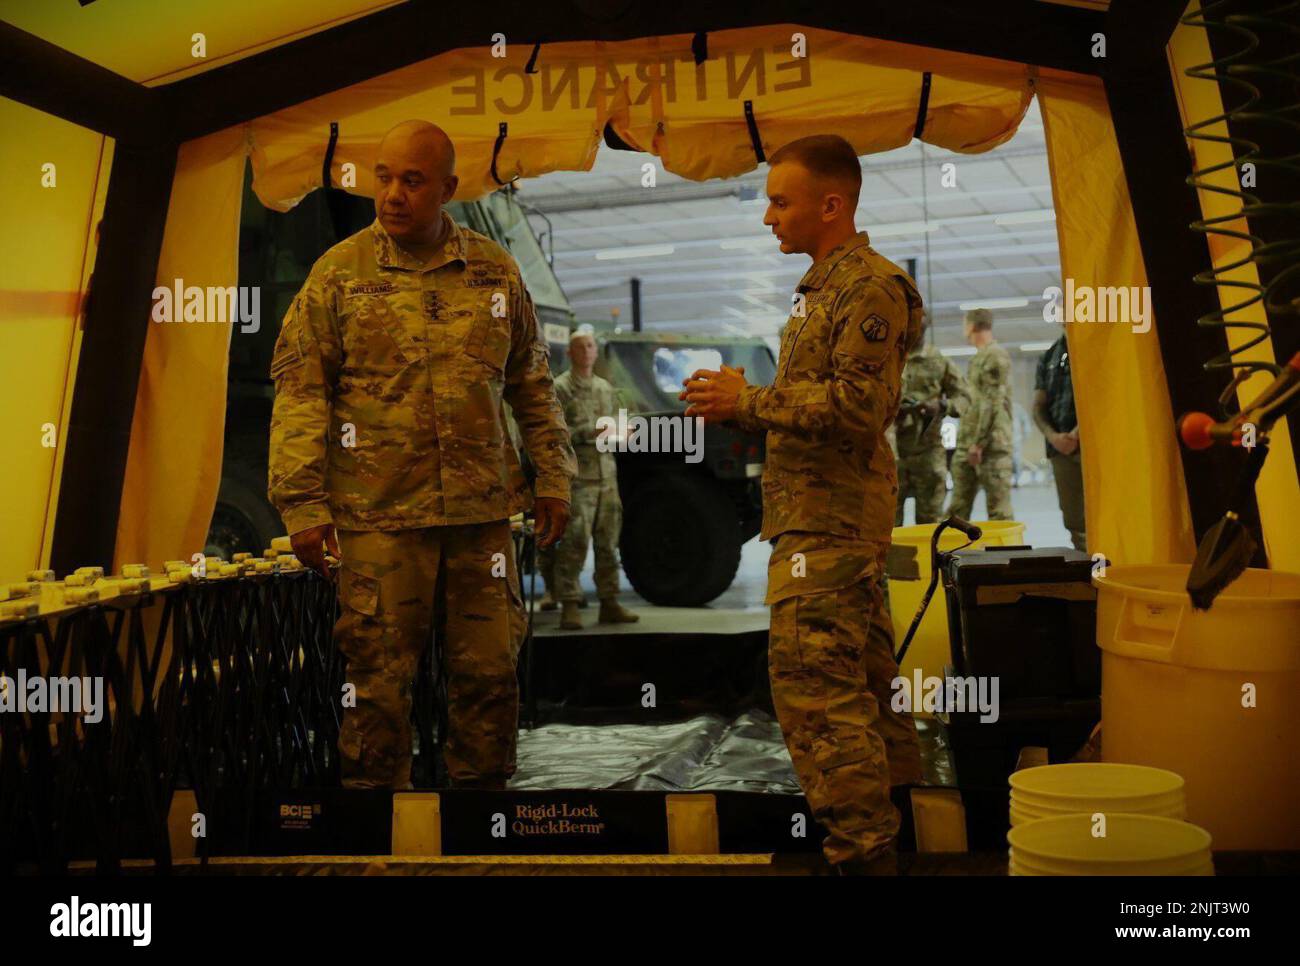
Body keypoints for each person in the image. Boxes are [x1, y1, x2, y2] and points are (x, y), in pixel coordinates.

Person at [268, 120, 576, 790]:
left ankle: (479, 822)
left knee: (490, 674)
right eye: (383, 177)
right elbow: (300, 393)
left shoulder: (494, 270)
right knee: (377, 683)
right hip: (377, 520)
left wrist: (553, 477)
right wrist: (302, 504)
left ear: (447, 188)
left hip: (479, 518)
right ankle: (380, 832)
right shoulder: (338, 275)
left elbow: (531, 382)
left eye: (412, 180)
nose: (393, 195)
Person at [681, 134, 924, 875]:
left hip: (832, 524)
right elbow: (820, 403)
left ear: (832, 204)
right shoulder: (823, 288)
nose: (768, 218)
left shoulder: (869, 288)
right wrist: (742, 408)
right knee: (869, 683)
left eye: (779, 202)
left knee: (816, 691)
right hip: (820, 519)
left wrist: (748, 398)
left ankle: (861, 851)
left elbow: (858, 407)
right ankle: (903, 836)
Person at [551, 329, 640, 629]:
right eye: (581, 346)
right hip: (580, 478)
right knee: (574, 543)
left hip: (606, 477)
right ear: (570, 352)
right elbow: (555, 435)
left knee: (608, 544)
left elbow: (618, 425)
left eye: (591, 345)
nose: (588, 351)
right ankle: (569, 605)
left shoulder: (604, 388)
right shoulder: (561, 388)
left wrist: (623, 433)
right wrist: (591, 433)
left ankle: (609, 602)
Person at [895, 312, 970, 525]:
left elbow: (964, 396)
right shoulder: (889, 360)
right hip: (892, 454)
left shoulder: (939, 362)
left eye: (918, 328)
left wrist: (943, 405)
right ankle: (892, 560)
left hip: (928, 453)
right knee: (887, 526)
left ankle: (930, 560)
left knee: (930, 524)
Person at [946, 308, 1014, 521]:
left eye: (964, 325)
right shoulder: (979, 358)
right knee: (956, 511)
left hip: (990, 446)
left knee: (999, 512)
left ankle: (1004, 554)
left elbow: (993, 402)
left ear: (972, 326)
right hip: (969, 443)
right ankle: (955, 553)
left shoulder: (995, 356)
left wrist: (979, 443)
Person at [1034, 331, 1086, 550]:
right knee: (1075, 522)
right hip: (1060, 450)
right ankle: (1090, 573)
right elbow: (1038, 406)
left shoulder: (1093, 349)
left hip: (1093, 449)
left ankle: (1115, 573)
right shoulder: (1049, 357)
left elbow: (1108, 395)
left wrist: (1078, 433)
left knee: (1109, 515)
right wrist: (1053, 437)